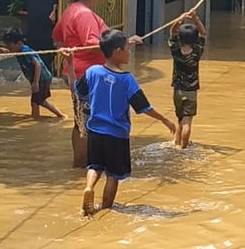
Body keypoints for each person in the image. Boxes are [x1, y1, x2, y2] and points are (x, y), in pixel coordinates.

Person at [67, 30, 175, 216]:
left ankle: (89, 187)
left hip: (95, 132)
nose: (130, 52)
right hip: (117, 135)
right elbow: (144, 108)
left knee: (94, 166)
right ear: (117, 51)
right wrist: (165, 119)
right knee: (113, 175)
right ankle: (105, 210)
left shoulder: (92, 72)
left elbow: (75, 88)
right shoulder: (127, 80)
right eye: (127, 48)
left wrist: (69, 62)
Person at [53, 0, 143, 168]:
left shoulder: (70, 10)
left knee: (80, 121)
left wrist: (68, 57)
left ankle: (79, 167)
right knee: (89, 122)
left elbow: (57, 36)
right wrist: (126, 41)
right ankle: (89, 166)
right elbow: (93, 43)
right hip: (90, 76)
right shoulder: (84, 14)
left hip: (75, 72)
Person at [0, 28, 66, 119]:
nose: (9, 49)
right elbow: (6, 51)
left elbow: (37, 65)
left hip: (42, 79)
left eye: (10, 46)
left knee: (37, 101)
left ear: (18, 43)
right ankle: (51, 116)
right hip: (39, 78)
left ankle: (40, 119)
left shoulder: (25, 51)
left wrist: (35, 82)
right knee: (38, 101)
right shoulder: (18, 50)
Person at [168, 9, 207, 149]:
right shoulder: (197, 50)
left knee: (180, 118)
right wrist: (195, 18)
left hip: (177, 90)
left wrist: (180, 19)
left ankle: (177, 143)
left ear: (180, 38)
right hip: (191, 91)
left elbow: (172, 31)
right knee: (187, 121)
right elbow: (203, 33)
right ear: (195, 39)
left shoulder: (176, 50)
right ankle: (183, 148)